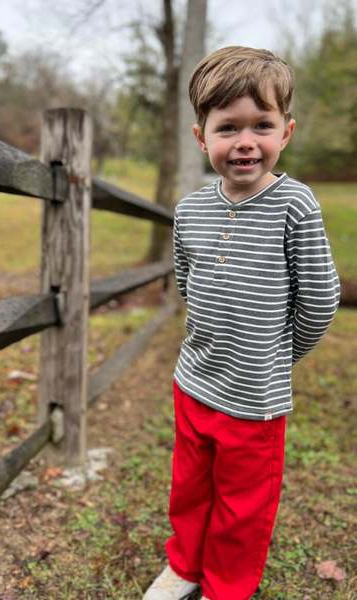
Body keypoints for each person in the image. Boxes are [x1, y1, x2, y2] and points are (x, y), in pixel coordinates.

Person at [143, 46, 340, 600]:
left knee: (241, 503)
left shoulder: (294, 205)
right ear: (202, 137)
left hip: (254, 394)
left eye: (262, 125)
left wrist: (276, 356)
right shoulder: (191, 209)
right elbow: (187, 281)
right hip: (195, 380)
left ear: (287, 131)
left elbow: (319, 301)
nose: (246, 141)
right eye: (228, 127)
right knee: (190, 487)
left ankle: (226, 586)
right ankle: (184, 565)